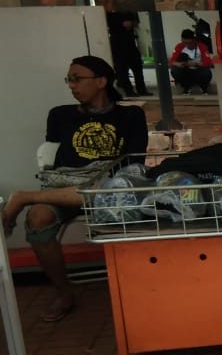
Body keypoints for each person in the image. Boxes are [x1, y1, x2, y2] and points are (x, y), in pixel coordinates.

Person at [1, 56, 147, 322]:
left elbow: (136, 162)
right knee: (38, 217)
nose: (71, 85)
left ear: (101, 81)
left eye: (77, 79)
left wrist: (104, 180)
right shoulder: (60, 115)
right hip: (64, 185)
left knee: (104, 188)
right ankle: (64, 293)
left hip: (108, 186)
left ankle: (23, 197)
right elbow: (52, 155)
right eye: (69, 79)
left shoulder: (130, 115)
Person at [107, 10, 151, 97]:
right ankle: (129, 90)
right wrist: (124, 24)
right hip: (118, 43)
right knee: (122, 68)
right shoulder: (111, 13)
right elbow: (113, 24)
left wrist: (131, 23)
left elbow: (135, 23)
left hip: (130, 42)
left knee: (137, 67)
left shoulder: (130, 9)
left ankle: (141, 89)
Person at [169, 29, 214, 95]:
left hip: (199, 70)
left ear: (194, 40)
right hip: (186, 71)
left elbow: (208, 63)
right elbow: (171, 61)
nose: (187, 45)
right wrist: (177, 64)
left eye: (189, 43)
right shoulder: (179, 46)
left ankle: (203, 87)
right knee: (175, 70)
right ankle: (186, 87)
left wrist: (195, 63)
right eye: (184, 42)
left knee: (207, 72)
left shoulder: (202, 46)